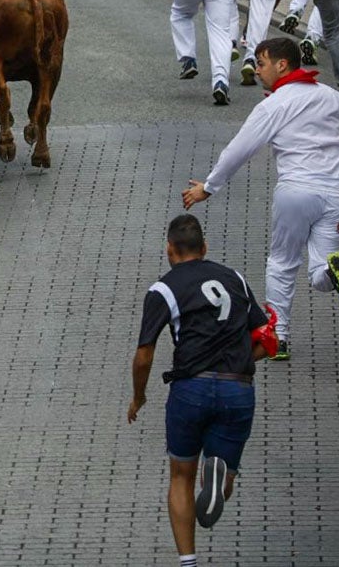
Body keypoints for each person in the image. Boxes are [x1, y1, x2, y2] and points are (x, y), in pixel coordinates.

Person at [182, 36, 339, 359]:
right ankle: (332, 271)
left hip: (296, 192)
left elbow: (239, 149)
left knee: (283, 264)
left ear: (281, 64)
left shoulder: (274, 105)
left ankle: (279, 337)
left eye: (261, 63)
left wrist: (209, 187)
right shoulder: (334, 99)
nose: (257, 71)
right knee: (319, 273)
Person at [128, 214, 274, 567]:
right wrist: (242, 363)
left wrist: (139, 396)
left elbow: (144, 354)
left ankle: (188, 562)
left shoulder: (163, 289)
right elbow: (267, 338)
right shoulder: (234, 278)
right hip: (237, 389)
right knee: (224, 477)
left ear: (169, 250)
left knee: (180, 476)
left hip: (190, 389)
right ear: (205, 248)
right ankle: (218, 477)